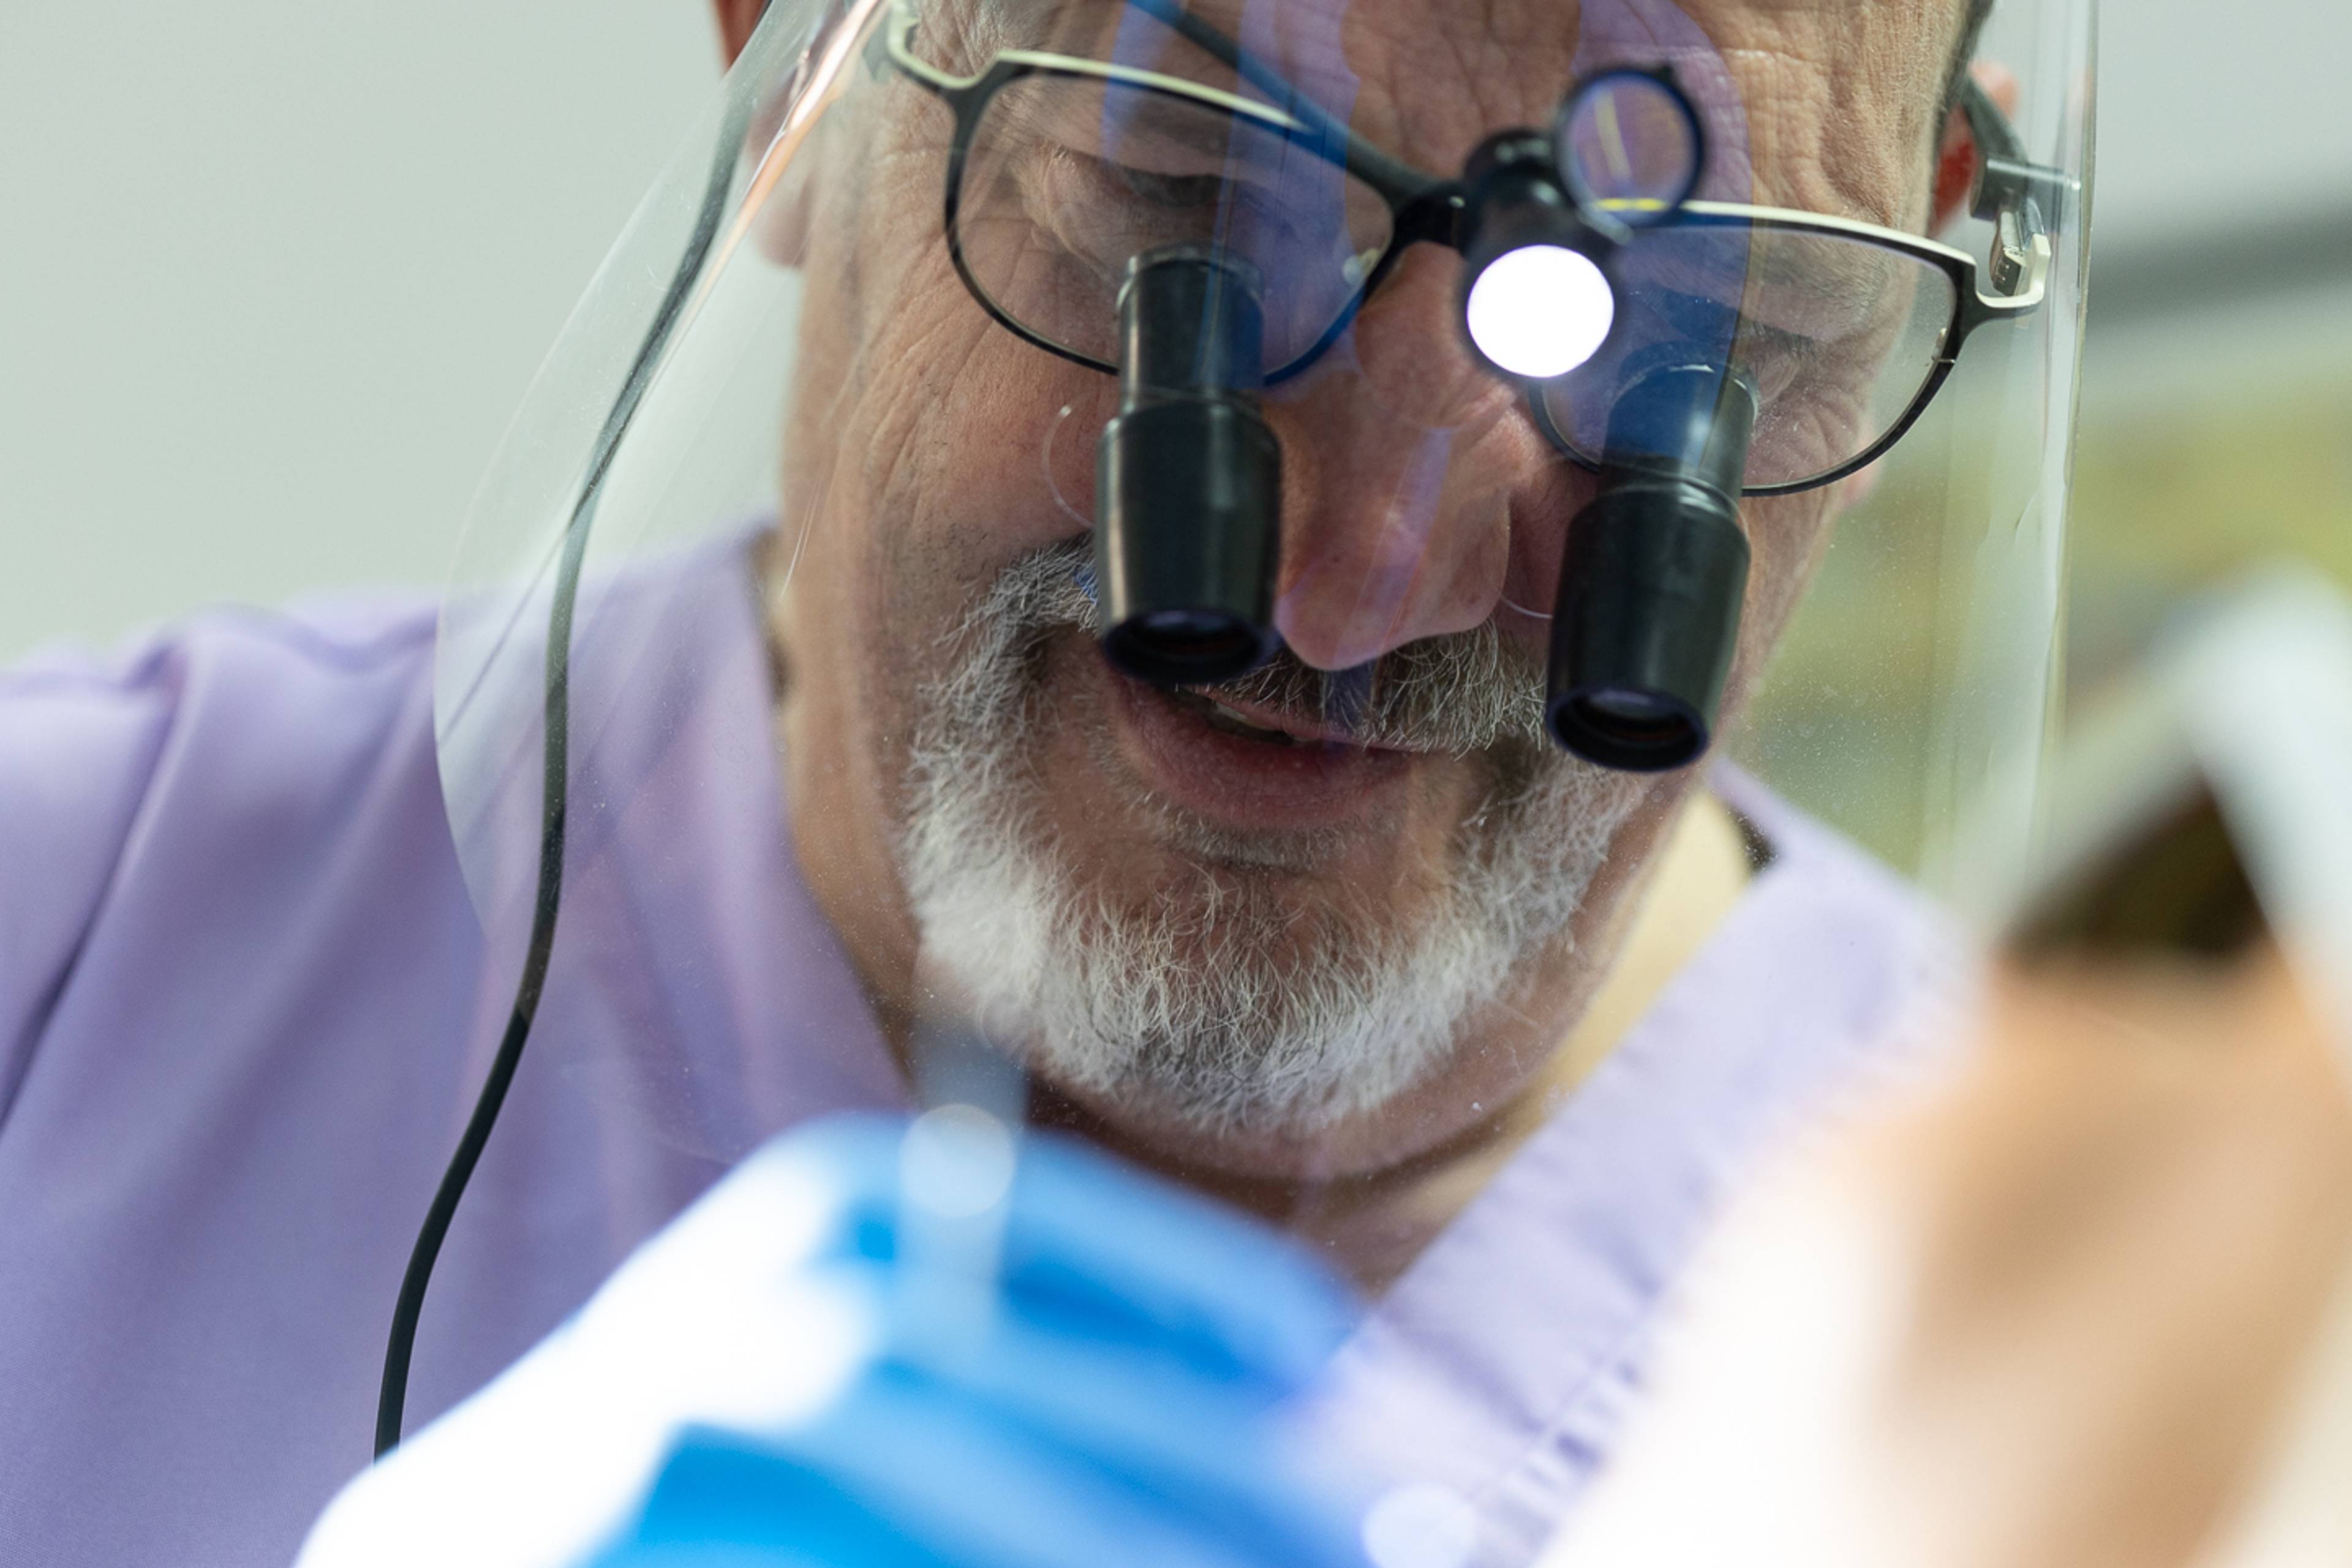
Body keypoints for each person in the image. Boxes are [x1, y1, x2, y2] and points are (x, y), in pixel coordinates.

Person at [0, 0, 2090, 1562]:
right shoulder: (65, 948)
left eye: (1703, 324)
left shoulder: (2176, 1350)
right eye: (1182, 205)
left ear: (1905, 246)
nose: (1367, 581)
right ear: (792, 57)